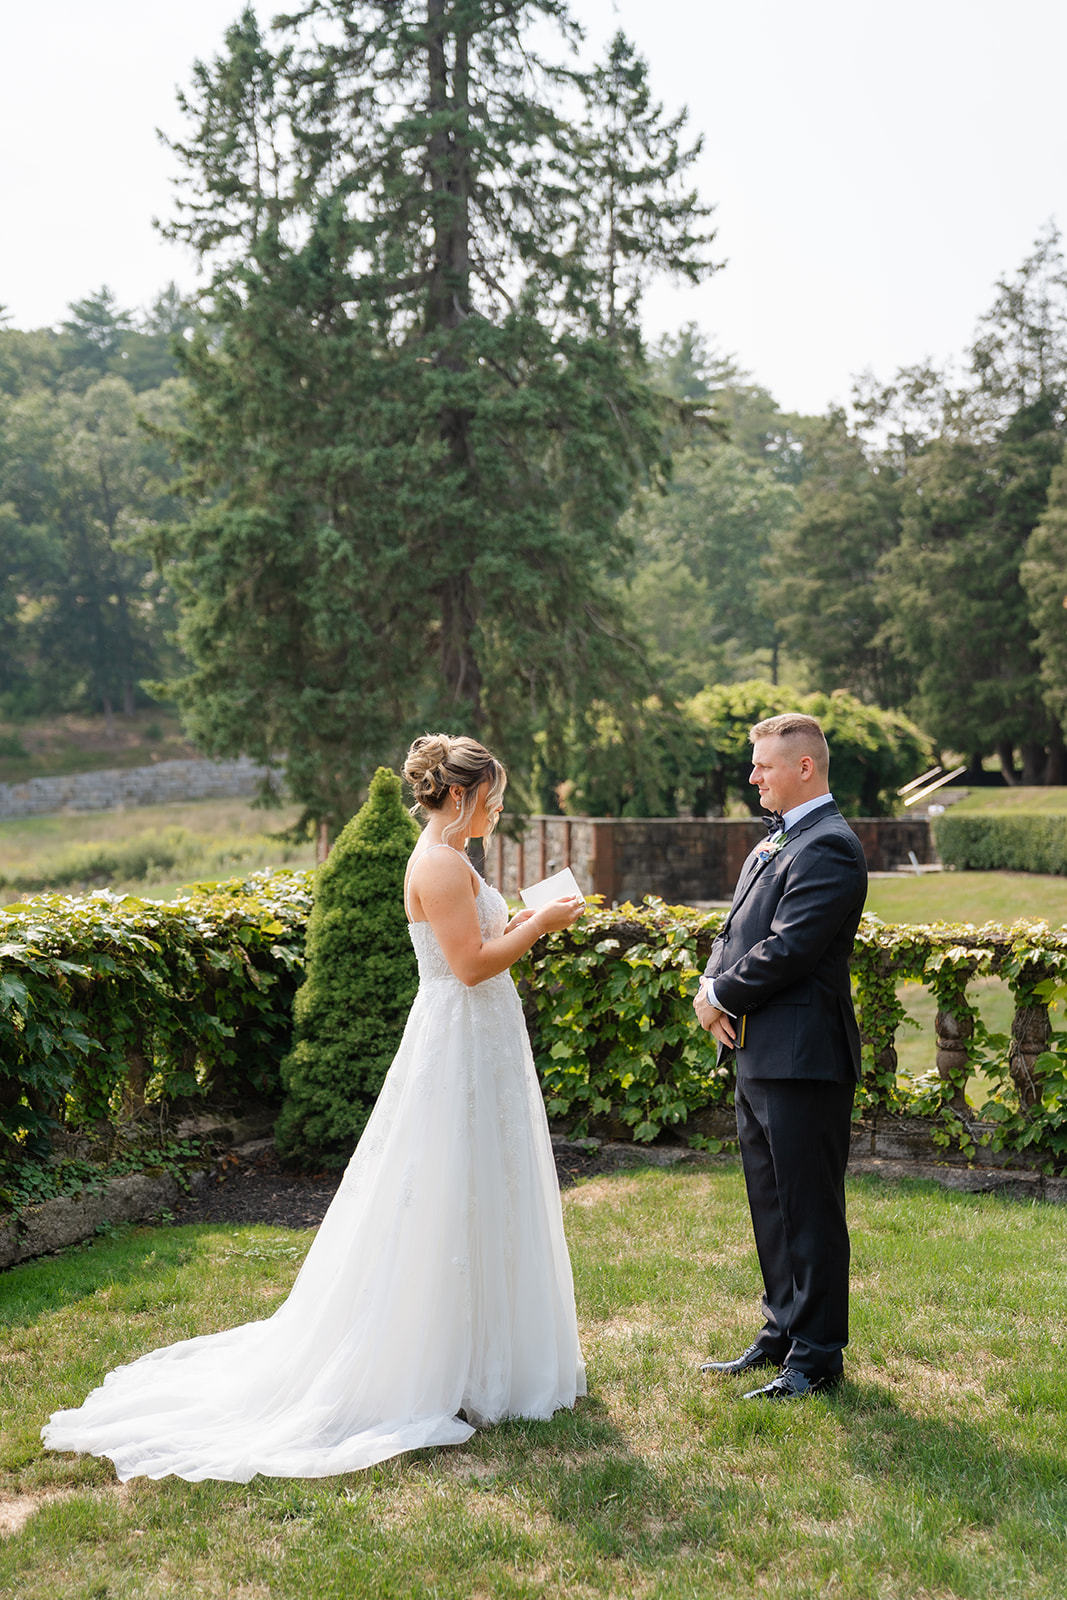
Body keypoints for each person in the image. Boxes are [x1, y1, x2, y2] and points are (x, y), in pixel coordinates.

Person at [43, 734, 587, 1481]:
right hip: (458, 1037)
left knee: (487, 1184)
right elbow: (468, 967)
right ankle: (437, 1362)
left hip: (481, 1040)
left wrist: (522, 920)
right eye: (493, 796)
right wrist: (539, 925)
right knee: (444, 1186)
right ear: (458, 796)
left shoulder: (456, 856)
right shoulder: (435, 861)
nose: (500, 808)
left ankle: (486, 1358)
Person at [694, 713, 867, 1400]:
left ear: (803, 768)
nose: (751, 776)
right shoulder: (776, 841)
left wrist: (719, 995)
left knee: (808, 1209)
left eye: (762, 766)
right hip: (758, 1053)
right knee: (771, 1203)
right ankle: (780, 1332)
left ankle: (818, 1356)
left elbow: (791, 948)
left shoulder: (828, 846)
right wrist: (712, 988)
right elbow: (737, 929)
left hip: (803, 1058)